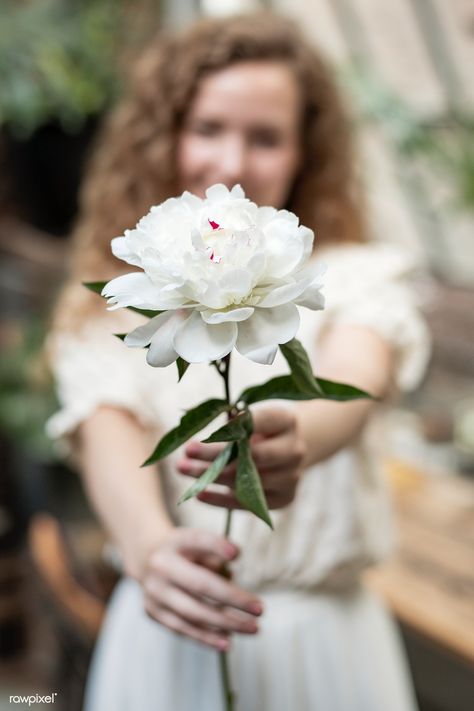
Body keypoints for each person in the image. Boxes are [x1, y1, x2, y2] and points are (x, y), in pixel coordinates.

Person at [46, 12, 430, 711]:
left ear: (304, 152)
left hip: (325, 647)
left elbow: (355, 379)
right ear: (164, 137)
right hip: (171, 630)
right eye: (208, 128)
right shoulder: (119, 298)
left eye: (266, 138)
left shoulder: (348, 278)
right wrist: (150, 546)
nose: (230, 164)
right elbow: (107, 426)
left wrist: (295, 440)